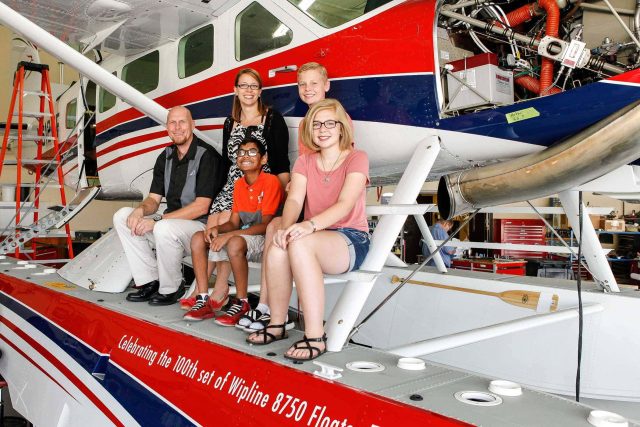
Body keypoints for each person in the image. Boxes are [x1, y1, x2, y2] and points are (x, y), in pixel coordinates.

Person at [247, 99, 370, 362]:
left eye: (329, 123)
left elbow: (345, 203)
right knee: (279, 244)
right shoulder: (305, 162)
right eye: (316, 124)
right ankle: (278, 323)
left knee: (298, 243)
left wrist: (308, 225)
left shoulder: (357, 158)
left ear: (341, 128)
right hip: (312, 236)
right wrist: (286, 227)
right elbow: (294, 200)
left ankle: (315, 336)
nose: (322, 129)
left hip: (350, 239)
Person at [179, 68, 290, 314]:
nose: (248, 90)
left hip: (258, 183)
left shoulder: (271, 118)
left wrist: (285, 196)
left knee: (228, 224)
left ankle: (219, 289)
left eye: (253, 86)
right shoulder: (230, 122)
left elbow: (281, 160)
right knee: (213, 225)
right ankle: (201, 291)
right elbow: (228, 162)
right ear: (235, 90)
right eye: (244, 85)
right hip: (232, 182)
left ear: (260, 91)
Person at [236, 62, 334, 333]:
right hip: (307, 202)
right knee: (274, 227)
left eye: (314, 83)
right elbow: (304, 172)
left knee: (276, 228)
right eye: (302, 85)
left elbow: (334, 170)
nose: (308, 89)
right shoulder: (306, 122)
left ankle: (272, 308)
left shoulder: (333, 120)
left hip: (325, 210)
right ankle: (267, 308)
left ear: (326, 85)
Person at [113, 106, 225, 305]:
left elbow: (201, 206)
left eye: (182, 122)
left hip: (200, 228)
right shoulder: (165, 157)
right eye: (172, 122)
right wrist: (140, 210)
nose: (177, 127)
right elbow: (153, 200)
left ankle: (171, 288)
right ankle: (149, 281)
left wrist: (157, 221)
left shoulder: (206, 156)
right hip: (168, 227)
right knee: (122, 216)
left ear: (193, 125)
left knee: (164, 227)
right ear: (167, 127)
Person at [184, 138, 283, 324]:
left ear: (263, 159)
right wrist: (217, 229)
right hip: (243, 236)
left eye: (252, 152)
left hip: (264, 240)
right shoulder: (239, 185)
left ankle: (242, 302)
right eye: (241, 152)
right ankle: (203, 299)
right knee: (199, 237)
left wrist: (229, 235)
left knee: (234, 242)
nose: (246, 156)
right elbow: (234, 222)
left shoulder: (270, 182)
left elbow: (266, 225)